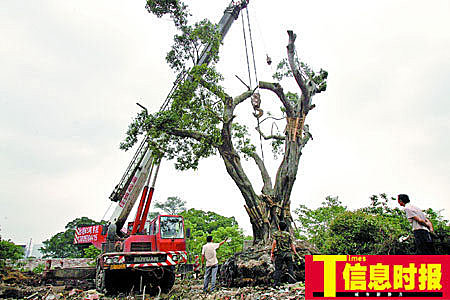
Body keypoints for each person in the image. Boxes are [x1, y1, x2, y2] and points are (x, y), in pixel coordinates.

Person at [271, 221, 298, 287]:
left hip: (280, 254)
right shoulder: (288, 234)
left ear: (279, 227)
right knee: (290, 268)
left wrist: (272, 252)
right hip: (288, 254)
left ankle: (276, 283)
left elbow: (274, 243)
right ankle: (292, 281)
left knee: (278, 269)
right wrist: (295, 252)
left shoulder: (276, 234)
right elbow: (292, 244)